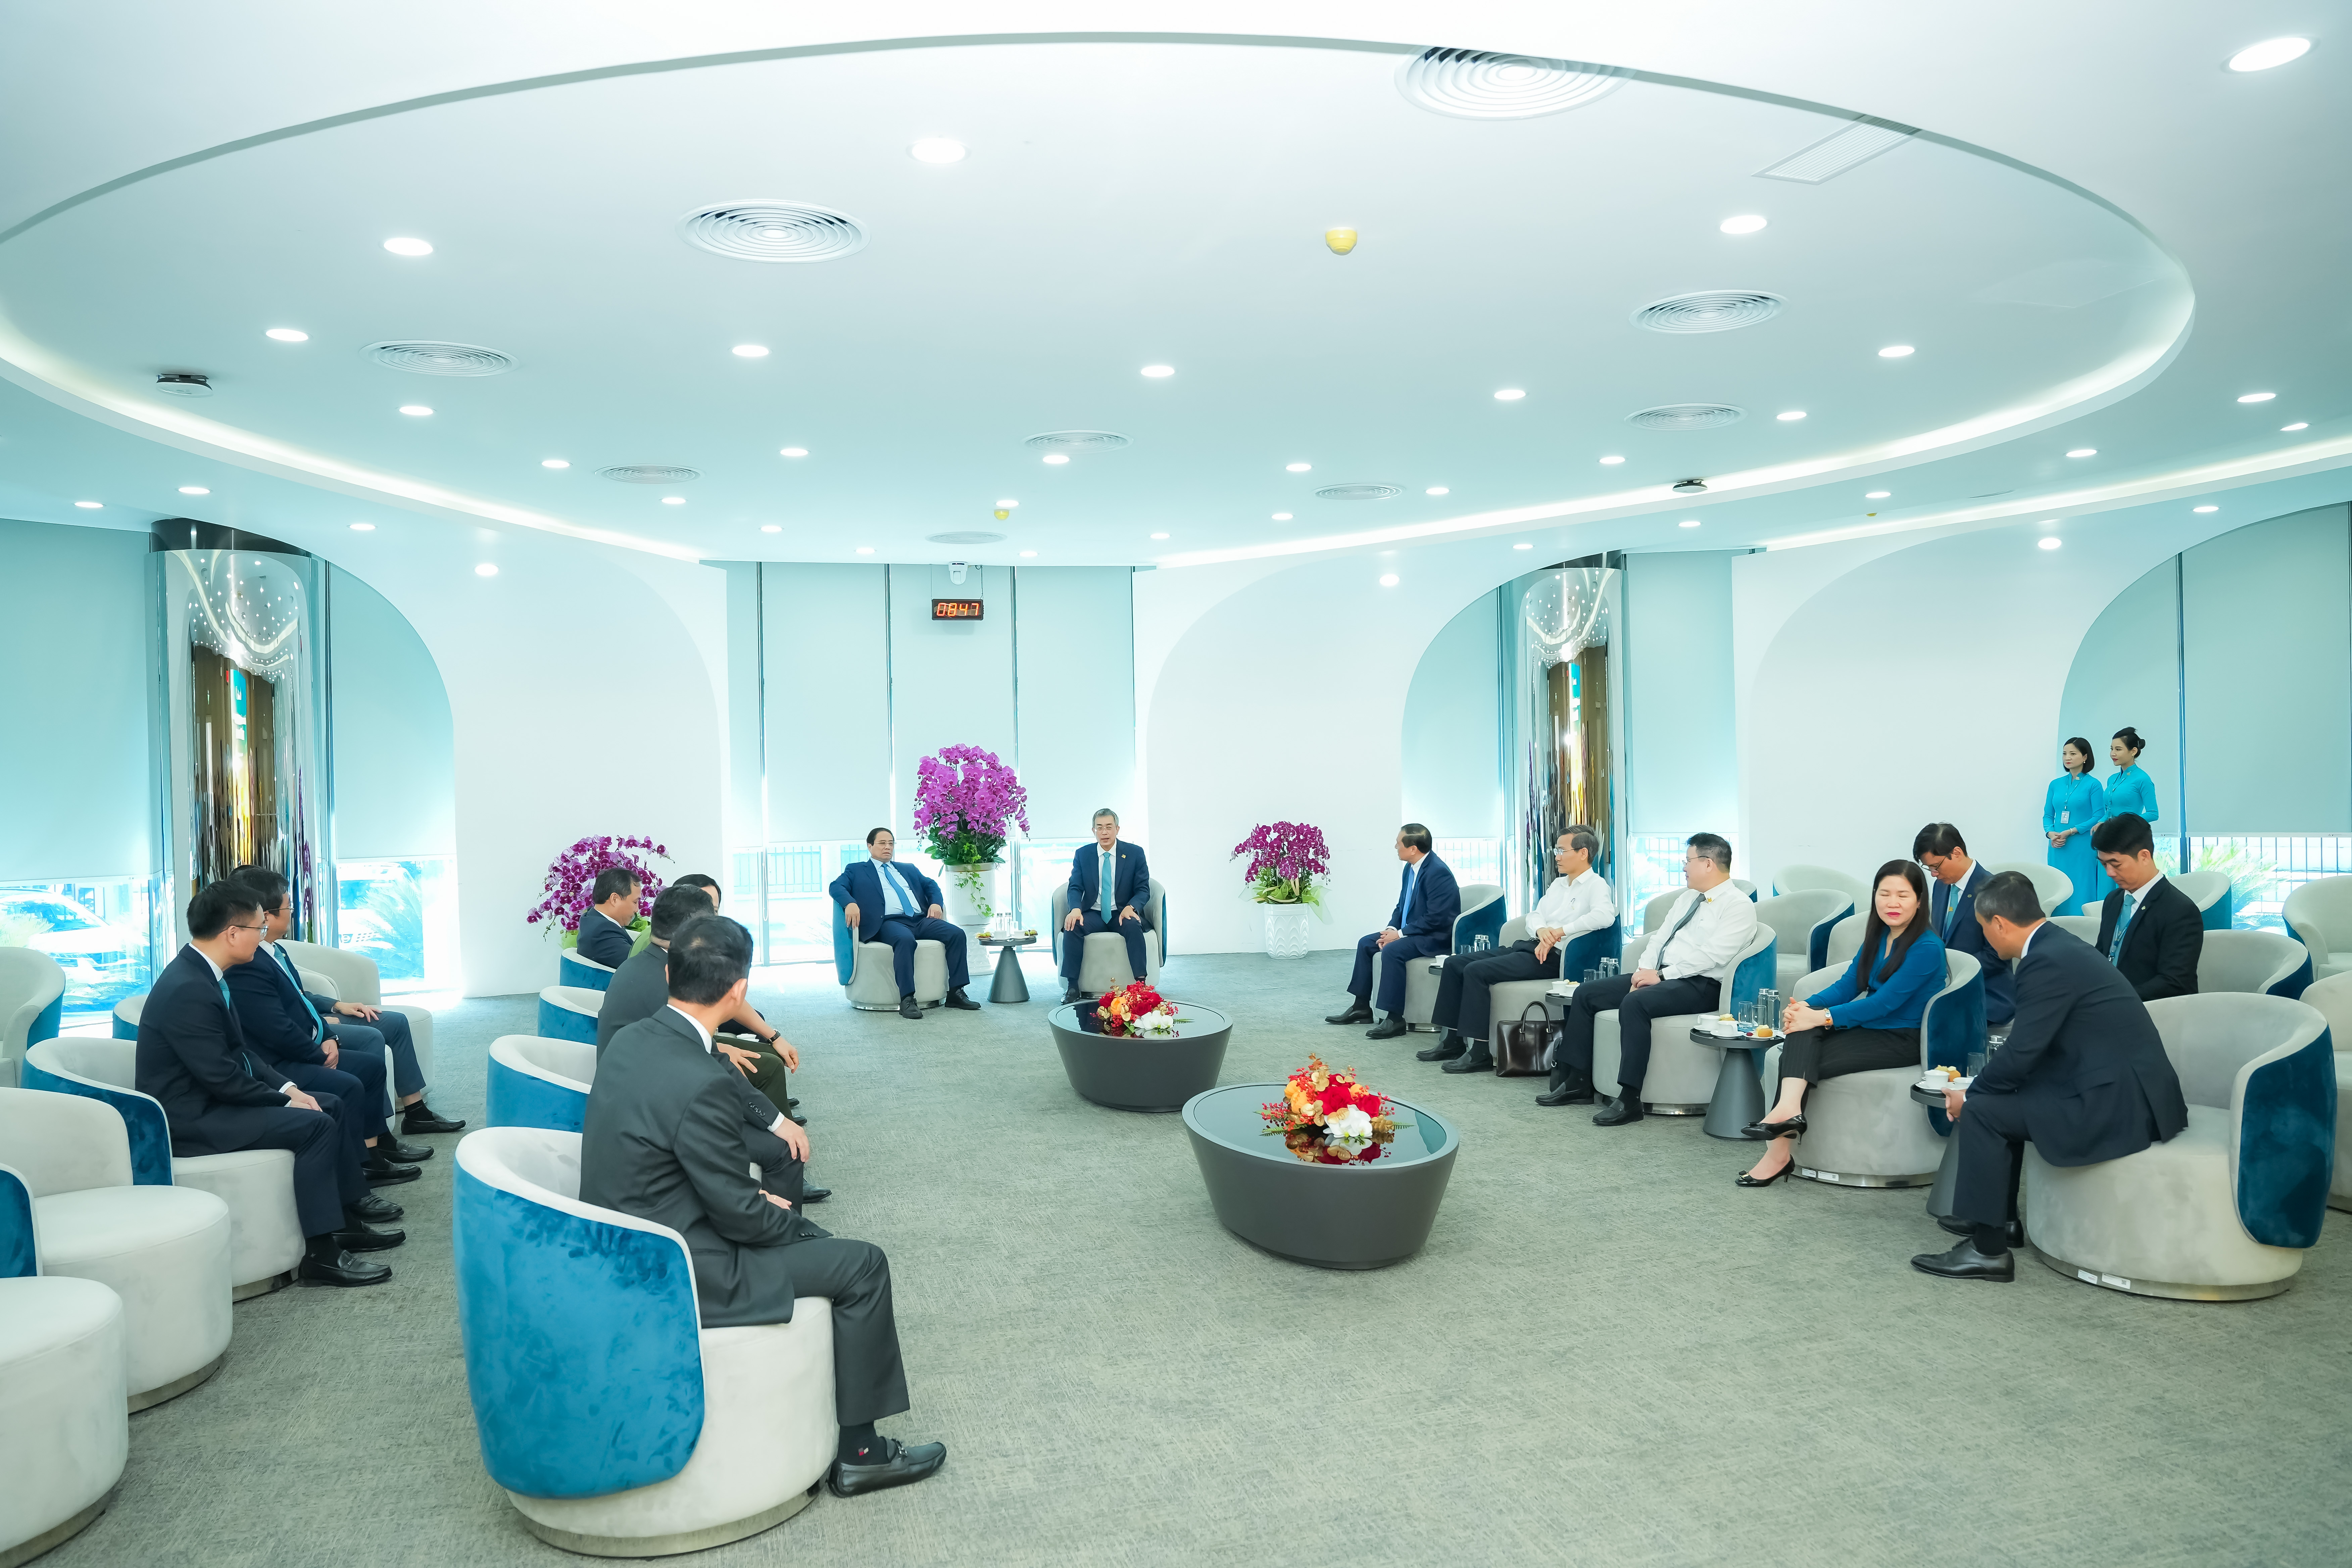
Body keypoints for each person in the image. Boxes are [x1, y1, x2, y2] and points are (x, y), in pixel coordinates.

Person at [581, 914, 944, 1497]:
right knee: (861, 1264)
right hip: (680, 1267)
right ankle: (861, 1454)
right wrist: (781, 1217)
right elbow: (740, 1219)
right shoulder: (699, 1079)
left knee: (817, 1241)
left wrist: (754, 1199)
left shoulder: (633, 1040)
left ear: (669, 972)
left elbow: (670, 1157)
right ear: (738, 991)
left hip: (625, 1239)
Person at [1911, 870, 2188, 1280]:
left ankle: (1988, 1252)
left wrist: (1970, 1095)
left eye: (1984, 928)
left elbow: (2023, 1050)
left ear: (2000, 923)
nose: (1985, 937)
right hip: (2120, 1085)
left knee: (1984, 1111)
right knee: (1999, 1098)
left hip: (2117, 1102)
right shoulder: (2057, 945)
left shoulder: (2044, 961)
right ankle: (2001, 1219)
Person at [133, 879, 403, 1287]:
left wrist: (288, 1088)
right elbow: (222, 1078)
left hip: (214, 1099)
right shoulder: (188, 989)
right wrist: (285, 1102)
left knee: (329, 1103)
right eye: (259, 928)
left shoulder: (204, 973)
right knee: (316, 1125)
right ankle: (321, 1253)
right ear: (233, 933)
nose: (263, 936)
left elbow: (241, 1053)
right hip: (193, 1119)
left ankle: (346, 1220)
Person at [596, 886, 826, 1205]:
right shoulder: (666, 980)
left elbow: (702, 1048)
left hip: (644, 1093)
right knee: (776, 1142)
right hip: (659, 1117)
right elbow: (709, 1062)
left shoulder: (649, 965)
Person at [1736, 861, 1946, 1185]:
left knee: (1799, 1056)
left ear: (1920, 901)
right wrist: (1806, 1006)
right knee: (1801, 1034)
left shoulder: (1927, 947)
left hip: (1903, 1038)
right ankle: (1787, 1120)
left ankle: (1778, 1153)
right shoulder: (1879, 937)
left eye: (1903, 896)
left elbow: (1883, 1004)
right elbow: (1848, 986)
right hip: (1871, 1029)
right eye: (1885, 894)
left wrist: (1821, 1017)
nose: (1892, 903)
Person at [222, 868, 429, 1187]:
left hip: (313, 1028)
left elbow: (298, 995)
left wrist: (332, 1016)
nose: (293, 913)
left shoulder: (276, 950)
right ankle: (371, 1152)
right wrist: (319, 1043)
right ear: (266, 915)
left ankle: (389, 1134)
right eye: (289, 907)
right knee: (369, 1047)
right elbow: (275, 1027)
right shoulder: (246, 964)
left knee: (385, 1033)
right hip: (288, 1052)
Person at [1554, 832, 1758, 1126]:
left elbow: (1713, 956)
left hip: (1701, 984)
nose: (1684, 867)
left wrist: (1661, 975)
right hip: (1661, 975)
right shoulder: (1687, 898)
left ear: (1708, 864)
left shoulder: (1738, 905)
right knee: (1586, 994)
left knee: (1635, 1004)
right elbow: (1659, 939)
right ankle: (1578, 1081)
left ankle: (1630, 1098)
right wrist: (1643, 972)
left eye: (1688, 861)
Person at [1419, 827, 1613, 1075]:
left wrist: (1559, 932)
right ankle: (1452, 1040)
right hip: (1531, 946)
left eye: (1562, 850)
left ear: (1583, 853)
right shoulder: (1558, 884)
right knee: (1455, 964)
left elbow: (1604, 916)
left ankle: (1480, 1051)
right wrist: (1542, 930)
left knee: (1476, 971)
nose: (1557, 856)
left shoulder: (1596, 885)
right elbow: (1534, 916)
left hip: (1554, 957)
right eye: (1556, 850)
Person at [666, 873, 802, 1120]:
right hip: (677, 1053)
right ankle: (774, 1124)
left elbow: (724, 995)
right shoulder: (673, 955)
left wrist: (774, 1036)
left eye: (716, 910)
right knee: (768, 1065)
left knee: (768, 1050)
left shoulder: (682, 949)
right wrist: (716, 1049)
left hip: (686, 1041)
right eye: (709, 911)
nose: (714, 919)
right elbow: (671, 1032)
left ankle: (773, 1109)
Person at [828, 829, 981, 1019]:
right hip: (888, 922)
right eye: (882, 843)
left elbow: (931, 885)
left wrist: (936, 903)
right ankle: (907, 999)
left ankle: (956, 993)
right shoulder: (857, 870)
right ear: (870, 846)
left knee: (956, 934)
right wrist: (850, 903)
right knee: (905, 940)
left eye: (891, 843)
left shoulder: (908, 868)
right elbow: (836, 886)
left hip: (919, 920)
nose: (888, 847)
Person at [1326, 825, 1460, 1039]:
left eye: (1399, 844)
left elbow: (1437, 918)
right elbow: (1402, 906)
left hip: (1434, 937)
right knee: (1366, 943)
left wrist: (1400, 935)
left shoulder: (1438, 873)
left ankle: (1395, 1019)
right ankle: (1361, 1007)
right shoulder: (1410, 868)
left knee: (1392, 951)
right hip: (1413, 931)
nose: (1396, 847)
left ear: (1413, 849)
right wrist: (1391, 929)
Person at [2090, 813, 2202, 1000]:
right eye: (2104, 864)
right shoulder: (2114, 900)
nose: (2110, 873)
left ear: (2144, 856)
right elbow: (2103, 953)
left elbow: (2175, 982)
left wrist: (2117, 999)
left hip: (2152, 1009)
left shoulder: (2180, 911)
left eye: (2116, 865)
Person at [1912, 825, 2014, 1030]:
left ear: (1957, 853)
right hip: (1946, 986)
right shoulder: (1942, 885)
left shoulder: (1994, 890)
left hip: (1986, 993)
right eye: (1929, 868)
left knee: (1930, 1023)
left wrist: (1951, 971)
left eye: (1936, 866)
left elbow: (1998, 956)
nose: (1934, 874)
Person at [1060, 808, 1153, 1004]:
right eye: (1099, 828)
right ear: (1093, 830)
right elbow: (1075, 886)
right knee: (1073, 926)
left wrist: (1132, 907)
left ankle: (1141, 985)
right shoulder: (1083, 854)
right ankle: (1072, 986)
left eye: (1109, 827)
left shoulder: (1135, 853)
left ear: (1117, 829)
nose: (1104, 832)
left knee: (1133, 926)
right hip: (1094, 912)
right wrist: (1075, 909)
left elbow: (1143, 890)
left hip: (1121, 911)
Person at [2094, 727, 2159, 902]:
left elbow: (2153, 813)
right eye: (2111, 749)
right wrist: (2101, 822)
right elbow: (2109, 810)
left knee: (2123, 885)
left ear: (2133, 751)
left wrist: (2123, 824)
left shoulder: (2143, 779)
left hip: (2127, 840)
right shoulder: (2112, 779)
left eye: (2118, 749)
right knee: (2106, 886)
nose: (2113, 754)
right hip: (2108, 839)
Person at [2042, 737, 2104, 916]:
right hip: (2058, 845)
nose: (2067, 758)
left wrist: (2072, 831)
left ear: (2085, 757)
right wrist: (2050, 833)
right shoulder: (2055, 784)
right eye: (2064, 754)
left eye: (2073, 754)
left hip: (2082, 845)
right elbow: (2048, 815)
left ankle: (2083, 924)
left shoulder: (2094, 784)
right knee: (2058, 885)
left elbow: (2099, 815)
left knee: (2081, 885)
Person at [574, 868, 642, 969]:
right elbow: (639, 966)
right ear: (615, 899)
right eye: (635, 902)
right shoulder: (601, 933)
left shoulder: (591, 919)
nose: (637, 910)